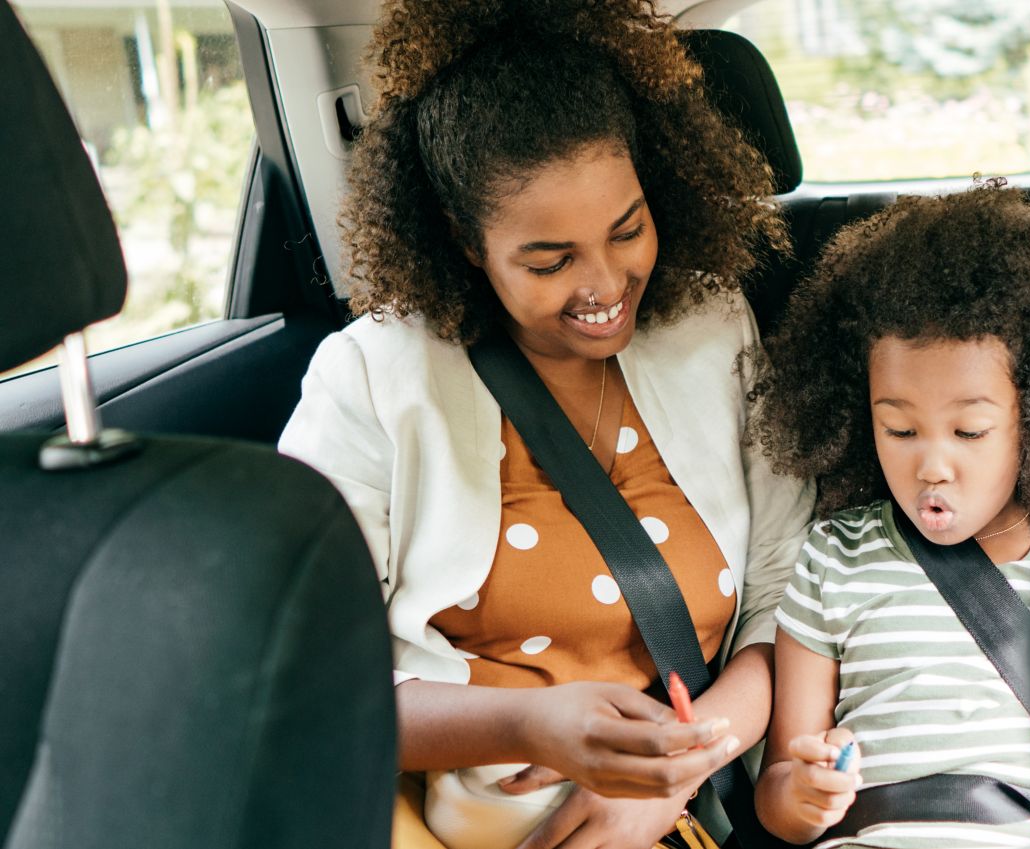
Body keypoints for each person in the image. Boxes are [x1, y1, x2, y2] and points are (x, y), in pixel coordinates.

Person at [277, 1, 814, 847]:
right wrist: (526, 723)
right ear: (461, 239)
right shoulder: (374, 377)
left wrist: (678, 768)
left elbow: (790, 589)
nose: (606, 282)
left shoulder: (712, 325)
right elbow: (303, 681)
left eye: (627, 228)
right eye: (549, 259)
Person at [746, 183, 1030, 848]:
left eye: (969, 431)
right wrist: (805, 791)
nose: (931, 465)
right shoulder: (833, 558)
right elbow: (778, 794)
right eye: (899, 431)